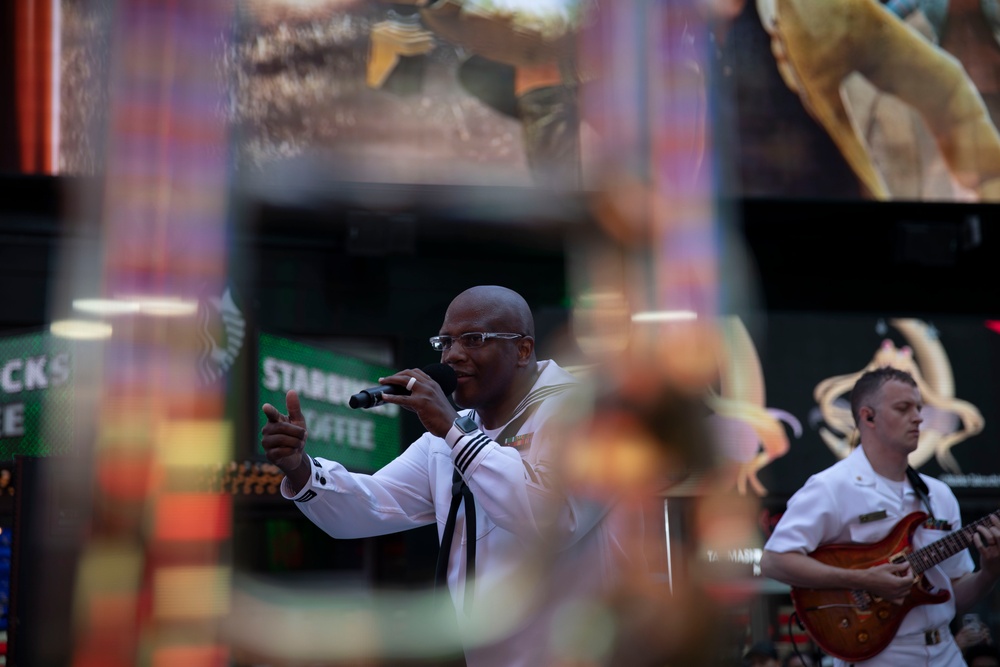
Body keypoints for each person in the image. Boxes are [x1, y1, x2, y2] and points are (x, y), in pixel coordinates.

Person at [261, 285, 628, 667]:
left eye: (473, 339)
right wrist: (299, 466)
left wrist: (454, 431)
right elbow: (370, 503)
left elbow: (556, 519)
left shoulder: (587, 412)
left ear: (522, 349)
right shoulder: (451, 436)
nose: (452, 356)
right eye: (445, 342)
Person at [760, 367, 1000, 667]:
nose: (918, 417)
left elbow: (955, 594)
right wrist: (860, 579)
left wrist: (989, 572)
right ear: (868, 417)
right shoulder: (831, 487)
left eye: (918, 408)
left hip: (945, 653)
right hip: (873, 657)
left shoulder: (939, 495)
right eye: (903, 408)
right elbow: (773, 561)